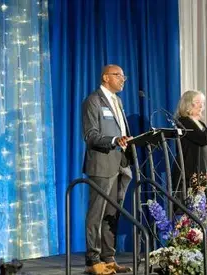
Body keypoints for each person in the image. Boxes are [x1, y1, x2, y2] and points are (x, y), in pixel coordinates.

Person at [82, 64, 133, 274]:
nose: (123, 79)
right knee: (97, 213)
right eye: (118, 75)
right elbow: (90, 135)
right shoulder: (93, 101)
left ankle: (109, 258)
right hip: (101, 164)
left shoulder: (118, 101)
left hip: (120, 163)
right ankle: (93, 261)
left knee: (112, 214)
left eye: (124, 76)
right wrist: (114, 140)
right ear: (105, 77)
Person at [172, 90, 207, 207]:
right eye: (197, 102)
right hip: (191, 173)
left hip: (205, 171)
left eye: (203, 102)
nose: (202, 105)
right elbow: (204, 139)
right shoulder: (184, 122)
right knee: (193, 212)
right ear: (187, 104)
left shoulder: (201, 124)